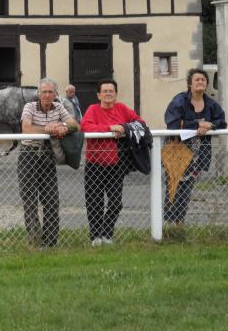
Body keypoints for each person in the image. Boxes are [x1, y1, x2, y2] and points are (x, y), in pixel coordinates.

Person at [80, 79, 144, 246]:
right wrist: (110, 128)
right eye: (105, 91)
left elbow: (140, 123)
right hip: (94, 163)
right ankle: (95, 237)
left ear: (116, 94)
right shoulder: (93, 109)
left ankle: (107, 234)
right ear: (98, 95)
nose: (108, 94)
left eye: (111, 91)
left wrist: (123, 127)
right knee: (94, 201)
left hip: (116, 164)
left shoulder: (122, 108)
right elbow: (85, 127)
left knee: (116, 202)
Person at [19, 77, 79, 247]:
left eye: (50, 92)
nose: (46, 95)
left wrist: (64, 127)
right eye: (43, 92)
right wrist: (47, 129)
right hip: (28, 155)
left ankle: (50, 243)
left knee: (52, 200)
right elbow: (26, 128)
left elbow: (75, 124)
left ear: (55, 94)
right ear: (39, 94)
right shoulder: (29, 106)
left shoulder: (59, 107)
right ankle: (35, 241)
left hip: (48, 156)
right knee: (30, 201)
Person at [163, 68, 227, 224]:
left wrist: (210, 125)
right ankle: (169, 224)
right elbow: (172, 123)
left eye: (203, 80)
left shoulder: (211, 104)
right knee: (173, 188)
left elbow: (222, 122)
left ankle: (179, 223)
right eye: (197, 79)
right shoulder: (179, 101)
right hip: (176, 151)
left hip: (198, 155)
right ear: (190, 83)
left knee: (186, 190)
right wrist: (197, 124)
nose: (201, 82)